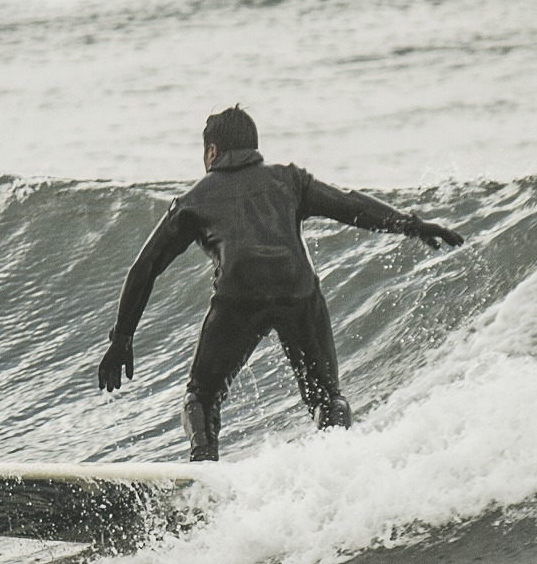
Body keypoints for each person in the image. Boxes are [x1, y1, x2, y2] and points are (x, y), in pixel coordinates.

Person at [97, 106, 464, 461]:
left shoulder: (193, 201)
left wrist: (122, 339)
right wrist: (411, 225)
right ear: (253, 148)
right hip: (298, 293)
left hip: (237, 298)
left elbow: (144, 268)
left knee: (201, 398)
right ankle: (338, 459)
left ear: (212, 151)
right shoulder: (288, 179)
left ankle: (204, 466)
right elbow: (350, 205)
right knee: (327, 398)